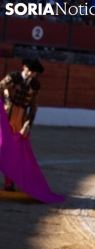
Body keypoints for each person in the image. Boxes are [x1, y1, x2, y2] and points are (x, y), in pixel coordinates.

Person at [0, 59, 63, 202]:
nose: (31, 74)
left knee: (15, 153)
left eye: (34, 72)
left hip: (19, 121)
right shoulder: (13, 77)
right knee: (2, 147)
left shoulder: (35, 85)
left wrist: (27, 125)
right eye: (30, 71)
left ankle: (9, 182)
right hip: (5, 119)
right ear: (24, 67)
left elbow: (33, 107)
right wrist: (5, 94)